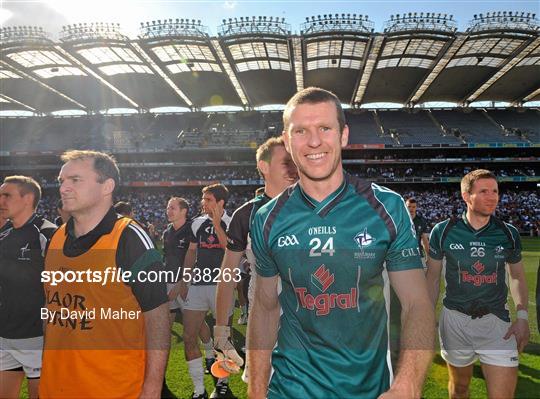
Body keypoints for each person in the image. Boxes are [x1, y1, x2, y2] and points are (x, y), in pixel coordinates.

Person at [248, 87, 435, 399]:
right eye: (301, 131)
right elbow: (265, 307)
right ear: (287, 139)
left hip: (368, 390)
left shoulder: (386, 207)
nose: (314, 141)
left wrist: (408, 383)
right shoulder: (267, 218)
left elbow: (417, 302)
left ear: (344, 135)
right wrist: (256, 392)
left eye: (325, 128)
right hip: (290, 388)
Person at [39, 150, 170, 398]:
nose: (63, 188)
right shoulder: (56, 237)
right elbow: (52, 307)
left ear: (107, 186)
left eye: (75, 180)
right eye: (61, 181)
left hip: (113, 388)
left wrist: (152, 388)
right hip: (55, 386)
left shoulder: (129, 238)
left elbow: (157, 316)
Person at [426, 169, 529, 399]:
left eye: (495, 191)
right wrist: (425, 317)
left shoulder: (508, 233)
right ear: (466, 196)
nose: (492, 197)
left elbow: (517, 276)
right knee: (460, 389)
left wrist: (522, 317)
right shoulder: (443, 231)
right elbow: (432, 278)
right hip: (455, 320)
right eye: (483, 191)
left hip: (496, 324)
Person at [214, 137, 297, 380]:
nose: (294, 170)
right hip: (264, 322)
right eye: (286, 163)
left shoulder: (317, 208)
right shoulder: (247, 214)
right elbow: (228, 272)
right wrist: (221, 331)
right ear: (263, 166)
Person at [172, 184, 232, 399]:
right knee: (189, 336)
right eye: (203, 199)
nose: (203, 203)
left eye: (208, 200)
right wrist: (185, 280)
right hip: (198, 285)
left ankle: (222, 384)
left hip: (221, 286)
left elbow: (231, 250)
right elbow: (191, 253)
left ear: (220, 202)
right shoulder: (196, 223)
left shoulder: (232, 222)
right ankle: (199, 389)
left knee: (222, 339)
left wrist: (217, 225)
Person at [0, 176, 56, 399]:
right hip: (5, 334)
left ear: (28, 198)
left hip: (36, 337)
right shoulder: (5, 236)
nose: (1, 200)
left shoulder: (48, 234)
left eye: (7, 195)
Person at [162, 197, 214, 394]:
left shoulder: (193, 228)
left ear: (184, 210)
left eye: (173, 207)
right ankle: (161, 377)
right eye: (168, 207)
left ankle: (209, 352)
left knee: (197, 325)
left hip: (188, 284)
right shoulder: (167, 231)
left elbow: (196, 258)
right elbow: (167, 257)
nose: (169, 210)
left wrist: (183, 283)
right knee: (164, 329)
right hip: (168, 283)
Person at [405, 198, 430, 264]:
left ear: (416, 207)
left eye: (413, 207)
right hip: (402, 256)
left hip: (417, 255)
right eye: (409, 206)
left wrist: (428, 256)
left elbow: (424, 241)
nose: (411, 209)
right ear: (405, 206)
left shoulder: (421, 221)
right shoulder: (400, 220)